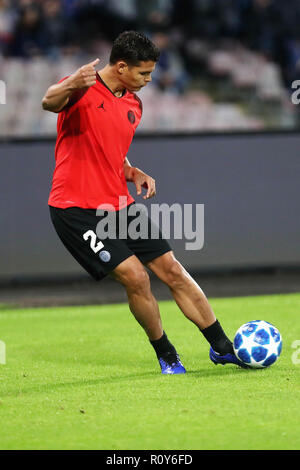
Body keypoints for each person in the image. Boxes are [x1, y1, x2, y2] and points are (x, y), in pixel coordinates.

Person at [42, 31, 245, 374]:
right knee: (137, 277)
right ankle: (166, 354)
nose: (149, 80)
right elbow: (49, 101)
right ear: (121, 67)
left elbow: (109, 151)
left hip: (118, 204)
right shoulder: (80, 89)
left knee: (173, 270)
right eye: (143, 73)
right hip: (76, 209)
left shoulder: (133, 102)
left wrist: (132, 171)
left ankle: (222, 346)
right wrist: (72, 81)